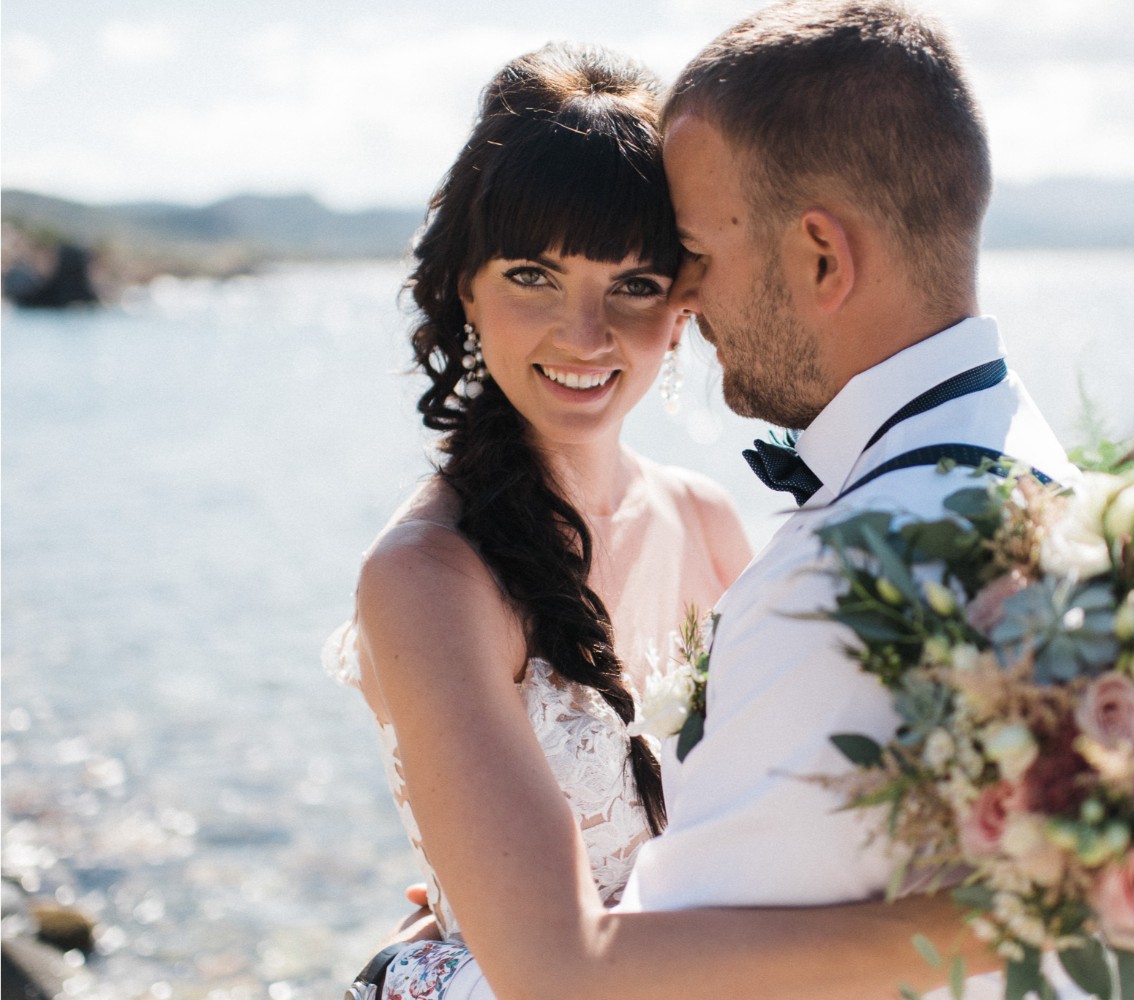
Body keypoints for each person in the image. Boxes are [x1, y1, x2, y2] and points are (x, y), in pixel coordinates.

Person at [328, 39, 999, 1000]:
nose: (586, 333)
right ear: (465, 286)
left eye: (633, 284)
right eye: (533, 275)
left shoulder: (709, 519)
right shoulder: (429, 580)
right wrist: (982, 924)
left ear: (684, 303)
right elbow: (555, 971)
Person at [614, 1, 1080, 994]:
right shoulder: (1061, 489)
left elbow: (648, 977)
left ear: (821, 256)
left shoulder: (846, 582)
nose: (681, 298)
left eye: (697, 251)